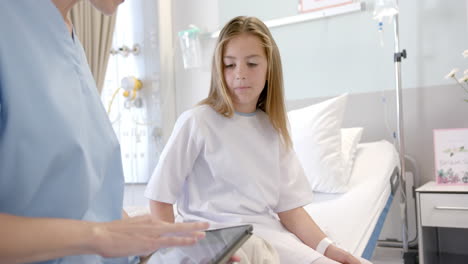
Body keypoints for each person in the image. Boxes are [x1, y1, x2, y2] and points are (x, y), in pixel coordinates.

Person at [145, 16, 372, 264]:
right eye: (229, 65)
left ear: (269, 69)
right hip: (213, 241)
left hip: (267, 237)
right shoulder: (197, 121)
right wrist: (174, 250)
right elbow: (160, 197)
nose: (240, 74)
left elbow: (291, 211)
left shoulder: (272, 129)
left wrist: (330, 250)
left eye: (252, 64)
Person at [0, 1, 213, 263]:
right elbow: (95, 231)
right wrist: (97, 236)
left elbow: (91, 206)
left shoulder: (67, 38)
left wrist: (160, 246)